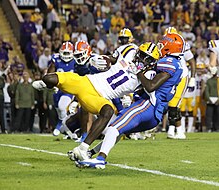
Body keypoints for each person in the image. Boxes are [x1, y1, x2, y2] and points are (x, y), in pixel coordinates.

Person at [77, 33, 184, 169]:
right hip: (155, 113)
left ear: (170, 47)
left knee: (113, 127)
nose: (160, 45)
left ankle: (100, 159)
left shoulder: (169, 63)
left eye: (164, 43)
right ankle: (91, 153)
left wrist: (137, 71)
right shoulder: (177, 64)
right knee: (119, 130)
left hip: (147, 106)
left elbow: (151, 86)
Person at [32, 39, 141, 161]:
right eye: (141, 54)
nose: (141, 58)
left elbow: (141, 92)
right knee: (48, 79)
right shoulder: (128, 52)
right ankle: (47, 85)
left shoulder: (144, 77)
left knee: (111, 122)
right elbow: (110, 58)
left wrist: (128, 98)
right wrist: (102, 60)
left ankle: (84, 148)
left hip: (98, 97)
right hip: (86, 82)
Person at [164, 27, 196, 140]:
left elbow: (191, 61)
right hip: (169, 76)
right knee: (169, 103)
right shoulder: (163, 45)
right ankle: (174, 129)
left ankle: (177, 129)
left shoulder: (182, 45)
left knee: (174, 104)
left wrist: (193, 78)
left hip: (181, 76)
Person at [46, 41, 75, 138]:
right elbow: (50, 72)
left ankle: (61, 126)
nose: (66, 55)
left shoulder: (76, 60)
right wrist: (51, 82)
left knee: (62, 107)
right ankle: (65, 129)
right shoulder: (56, 59)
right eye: (64, 53)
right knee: (59, 110)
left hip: (69, 89)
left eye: (68, 53)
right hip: (58, 89)